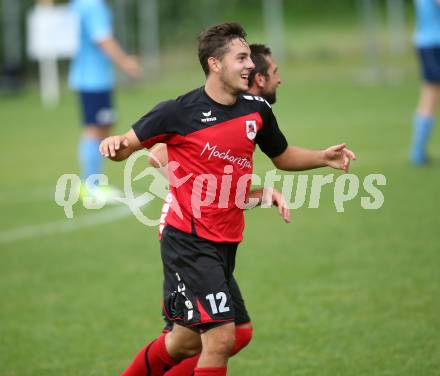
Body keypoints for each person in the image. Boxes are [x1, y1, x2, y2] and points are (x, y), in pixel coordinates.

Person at [99, 22, 356, 376]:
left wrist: (321, 157)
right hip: (188, 240)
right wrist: (113, 146)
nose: (250, 65)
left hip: (224, 241)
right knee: (221, 338)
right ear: (214, 64)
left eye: (249, 56)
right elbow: (126, 147)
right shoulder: (177, 111)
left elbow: (281, 156)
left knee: (184, 342)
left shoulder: (256, 110)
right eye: (241, 57)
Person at [147, 43, 286, 376]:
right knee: (210, 338)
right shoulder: (205, 112)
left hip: (215, 237)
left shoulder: (250, 113)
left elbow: (228, 188)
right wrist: (197, 192)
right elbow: (157, 155)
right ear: (258, 77)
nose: (279, 80)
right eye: (275, 73)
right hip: (188, 237)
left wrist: (255, 194)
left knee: (223, 335)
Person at [68, 0, 142, 199]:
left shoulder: (80, 4)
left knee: (101, 126)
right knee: (96, 129)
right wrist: (125, 62)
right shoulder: (93, 5)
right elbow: (103, 39)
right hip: (94, 79)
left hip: (87, 76)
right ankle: (90, 184)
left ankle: (92, 182)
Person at [410, 0, 440, 165]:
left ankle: (418, 151)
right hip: (434, 43)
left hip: (427, 42)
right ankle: (418, 152)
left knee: (429, 95)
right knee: (430, 96)